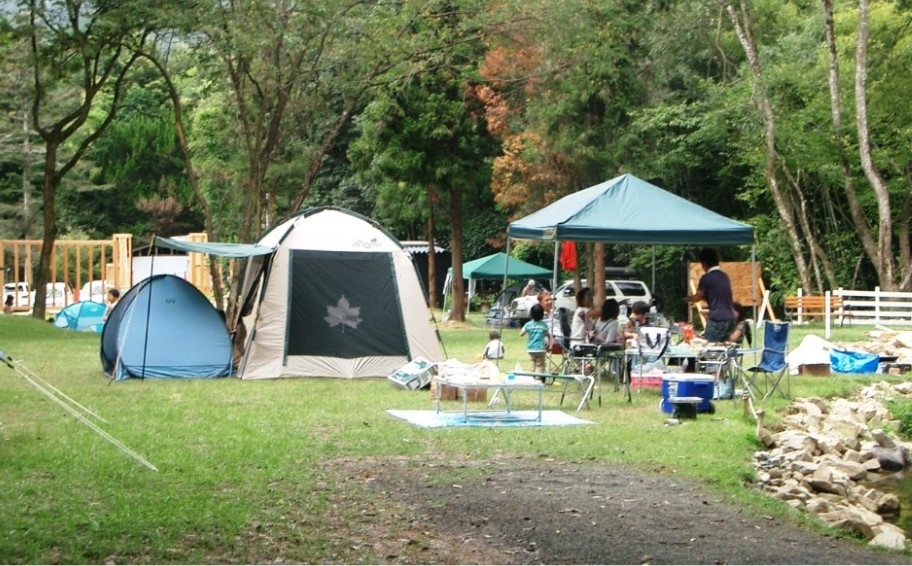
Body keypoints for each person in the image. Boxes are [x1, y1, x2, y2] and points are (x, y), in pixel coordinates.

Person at [684, 248, 736, 343]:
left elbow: (697, 297)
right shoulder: (724, 276)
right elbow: (717, 296)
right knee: (723, 348)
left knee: (709, 346)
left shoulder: (706, 278)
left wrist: (686, 299)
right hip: (730, 318)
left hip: (717, 319)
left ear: (704, 263)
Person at [520, 303, 550, 374]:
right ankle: (537, 377)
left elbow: (521, 334)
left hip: (531, 348)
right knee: (540, 365)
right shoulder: (544, 325)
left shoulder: (528, 325)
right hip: (540, 348)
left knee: (533, 362)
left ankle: (533, 374)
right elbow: (547, 335)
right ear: (542, 315)